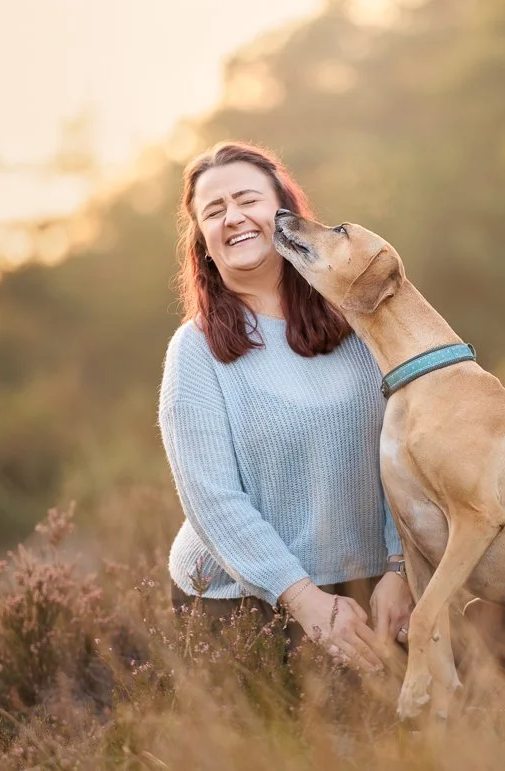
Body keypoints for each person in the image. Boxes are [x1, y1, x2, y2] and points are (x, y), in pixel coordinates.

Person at [159, 141, 412, 671]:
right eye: (214, 210)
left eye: (247, 199)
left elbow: (403, 448)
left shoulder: (358, 320)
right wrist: (302, 599)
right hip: (241, 599)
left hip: (371, 583)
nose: (233, 218)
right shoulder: (196, 350)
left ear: (284, 212)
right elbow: (213, 500)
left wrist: (399, 567)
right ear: (203, 240)